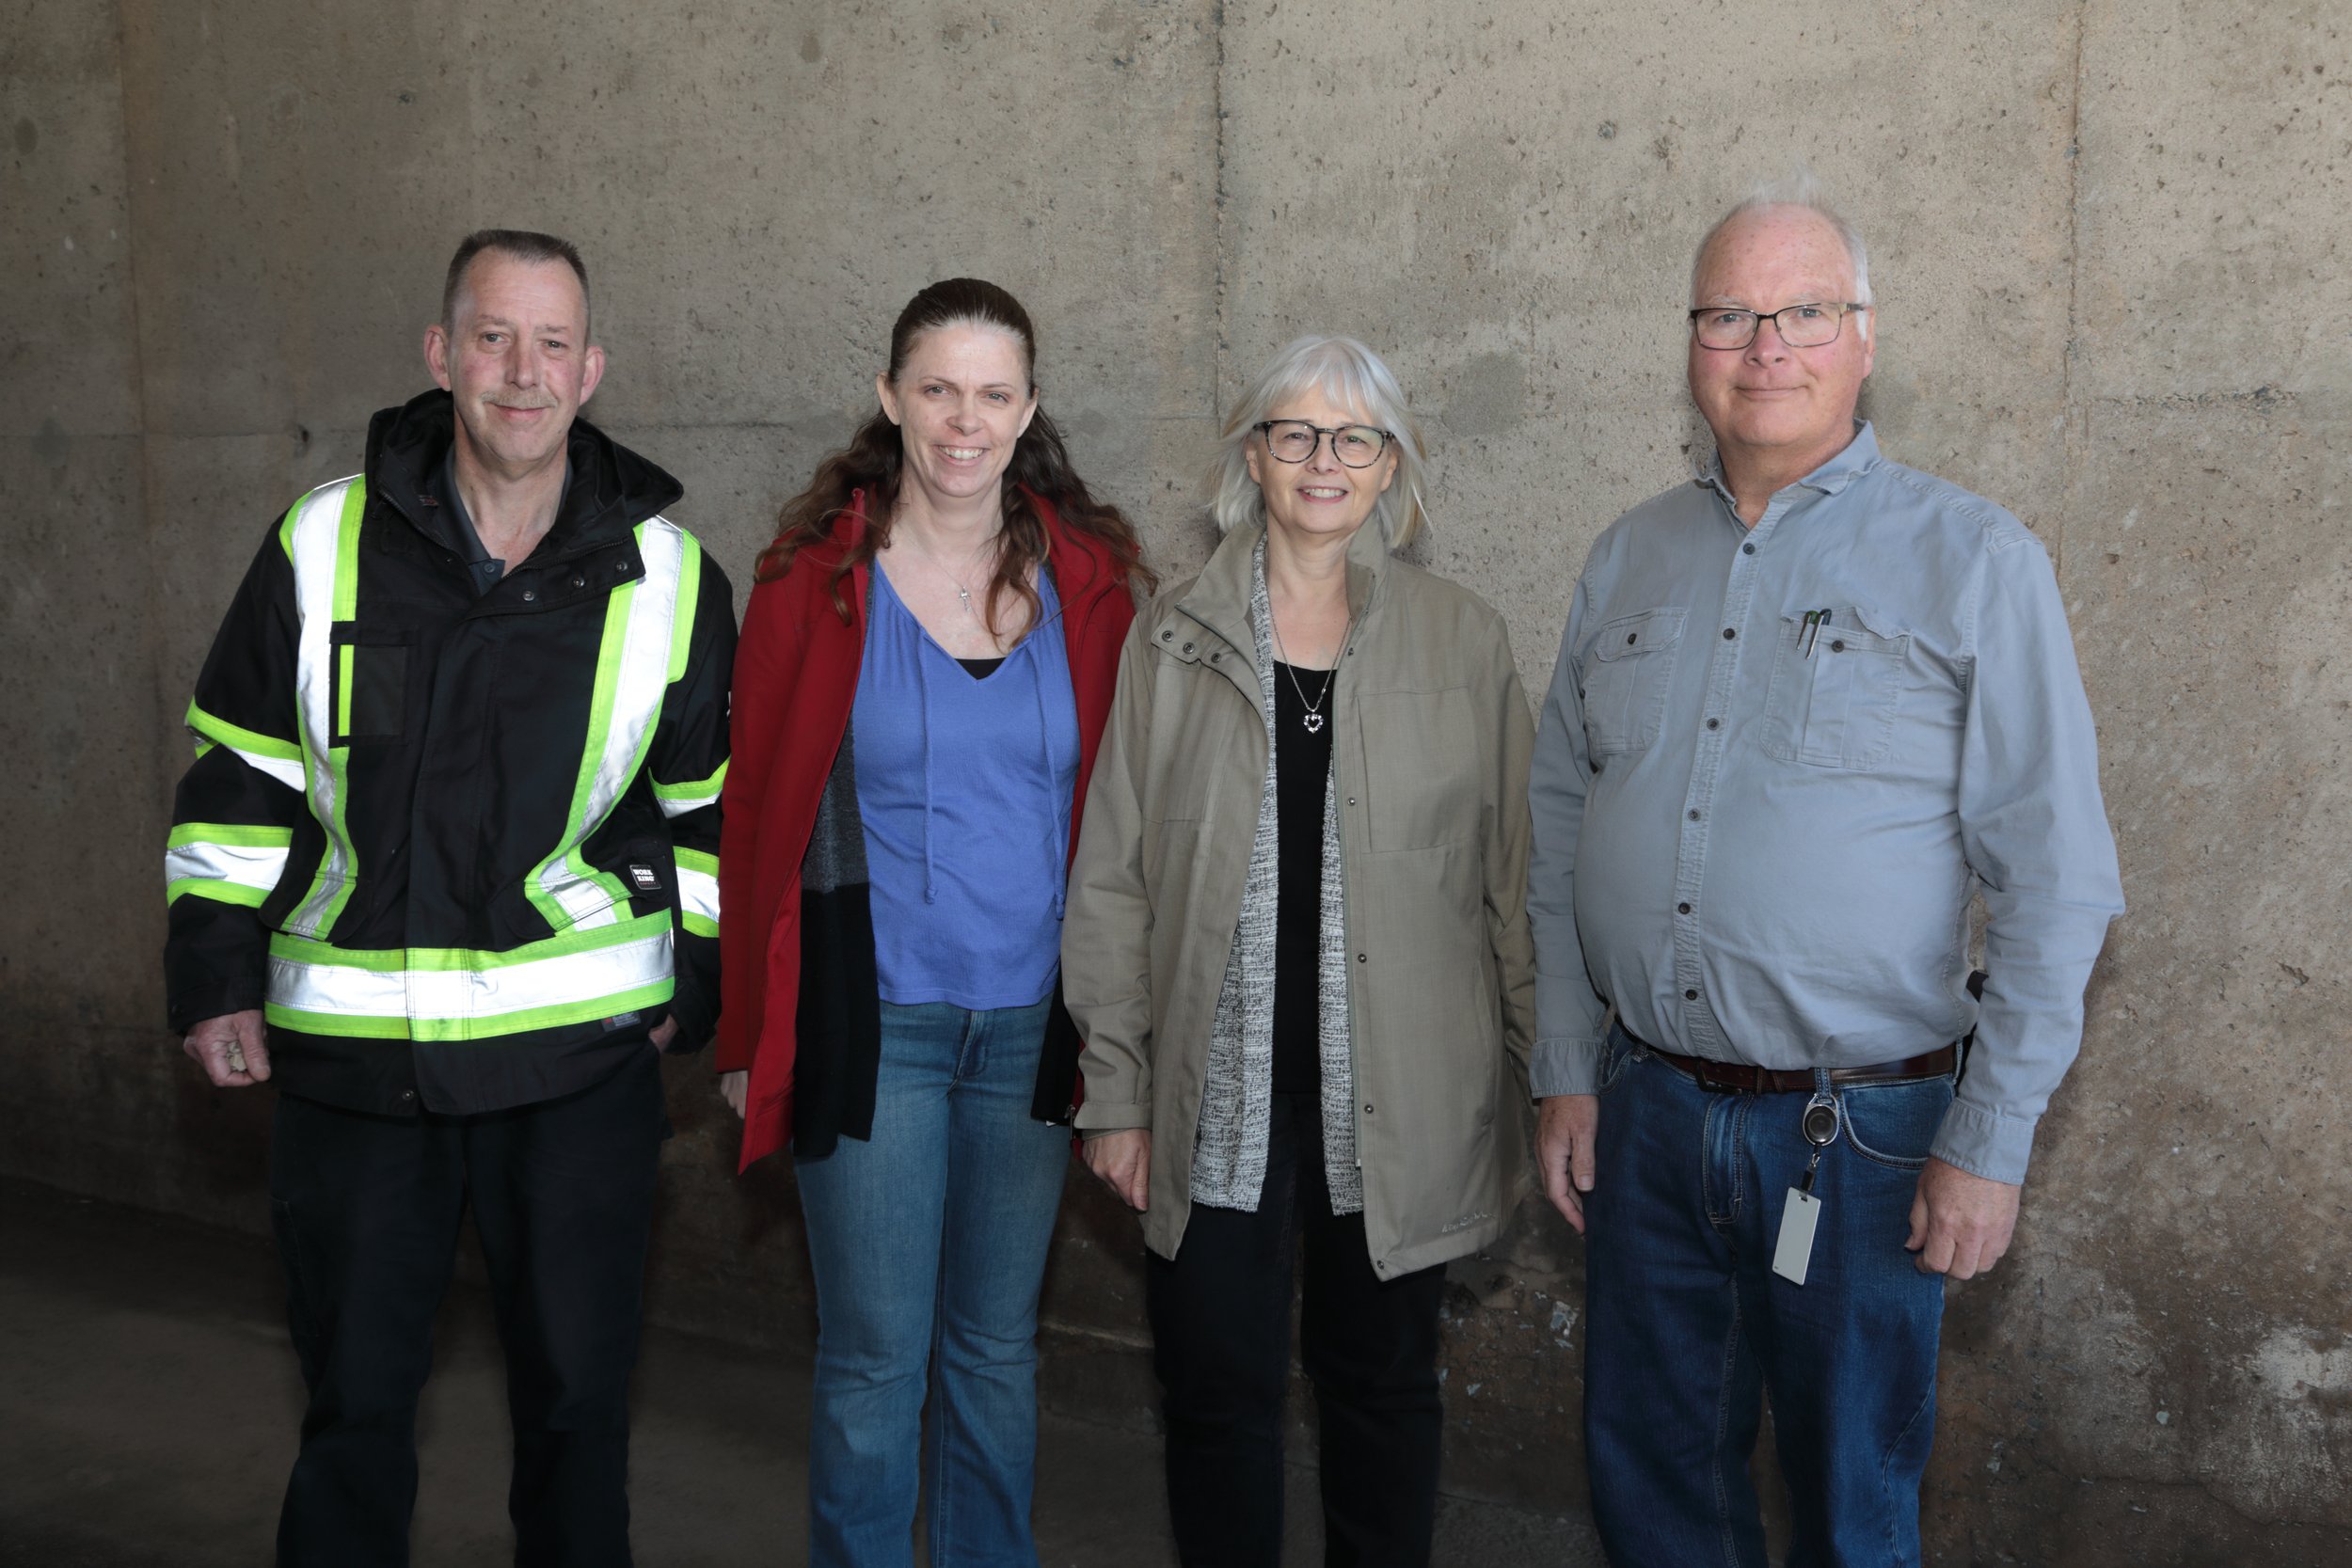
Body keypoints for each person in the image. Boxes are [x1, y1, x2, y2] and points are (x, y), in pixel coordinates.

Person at [1528, 172, 2124, 1566]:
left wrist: (1989, 1143)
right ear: (1691, 346)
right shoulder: (1628, 559)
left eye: (1804, 311)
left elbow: (2059, 879)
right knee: (1654, 1485)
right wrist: (1566, 1063)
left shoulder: (1974, 559)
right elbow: (1557, 823)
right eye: (1730, 314)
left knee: (1853, 1505)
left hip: (1861, 1141)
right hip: (1649, 1113)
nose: (1765, 347)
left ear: (1865, 335)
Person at [165, 229, 735, 1566]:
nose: (520, 373)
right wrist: (213, 970)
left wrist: (688, 987)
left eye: (550, 344)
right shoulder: (321, 540)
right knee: (353, 1415)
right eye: (492, 337)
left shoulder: (670, 578)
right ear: (440, 353)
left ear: (592, 369)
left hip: (579, 1070)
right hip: (359, 1072)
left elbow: (712, 813)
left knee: (579, 1420)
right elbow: (243, 773)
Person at [1064, 335, 1536, 1567]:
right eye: (1294, 433)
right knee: (1216, 1397)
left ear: (1393, 467)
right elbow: (1111, 878)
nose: (1323, 460)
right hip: (1212, 1102)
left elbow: (1515, 886)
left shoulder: (1464, 642)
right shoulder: (1172, 637)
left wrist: (1541, 1083)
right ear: (1252, 456)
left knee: (1382, 1391)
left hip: (1404, 1104)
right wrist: (1114, 1090)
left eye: (1355, 437)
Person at [716, 277, 1149, 1567]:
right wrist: (748, 1030)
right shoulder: (812, 585)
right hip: (873, 1026)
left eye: (995, 393)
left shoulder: (1095, 587)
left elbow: (1127, 823)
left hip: (1032, 1033)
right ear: (891, 397)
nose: (966, 420)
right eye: (939, 389)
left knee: (995, 1351)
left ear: (1030, 411)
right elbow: (754, 830)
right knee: (871, 1358)